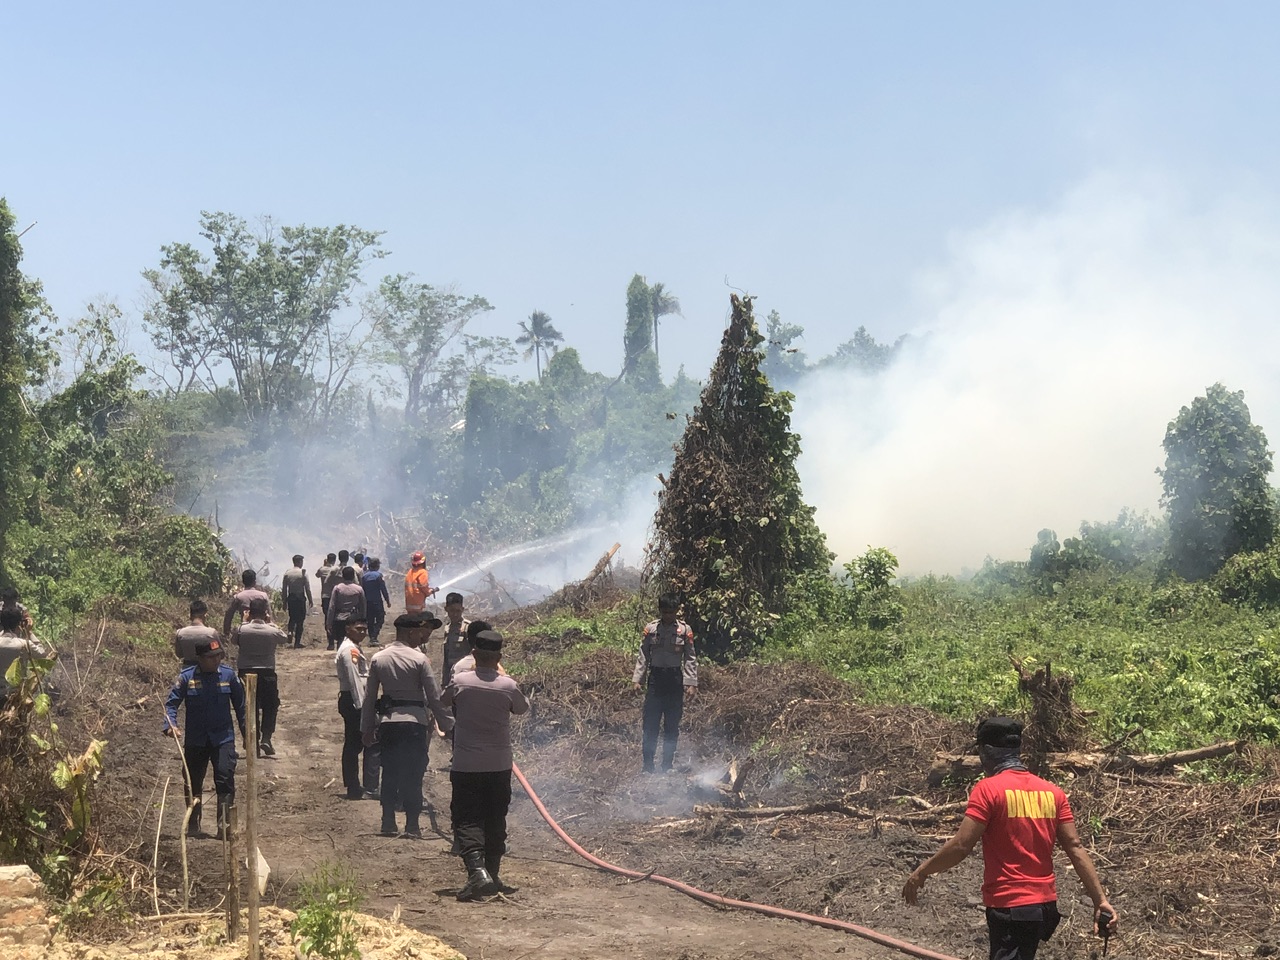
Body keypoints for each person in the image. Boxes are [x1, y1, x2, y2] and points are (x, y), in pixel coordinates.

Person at [902, 717, 1118, 960]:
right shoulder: (1053, 793)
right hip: (1043, 908)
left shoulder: (988, 790)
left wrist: (922, 871)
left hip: (1010, 906)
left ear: (987, 751)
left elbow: (962, 845)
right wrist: (1101, 900)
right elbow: (1075, 847)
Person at [443, 629, 529, 900]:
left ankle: (477, 872)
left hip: (467, 764)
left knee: (467, 818)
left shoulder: (460, 682)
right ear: (499, 657)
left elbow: (443, 701)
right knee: (495, 818)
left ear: (474, 654)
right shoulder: (508, 685)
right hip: (499, 765)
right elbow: (522, 708)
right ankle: (492, 873)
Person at [361, 611, 453, 839]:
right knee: (413, 774)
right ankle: (412, 825)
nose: (422, 635)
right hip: (415, 724)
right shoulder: (419, 659)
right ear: (411, 632)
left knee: (390, 772)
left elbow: (370, 698)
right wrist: (448, 724)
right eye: (419, 632)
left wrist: (366, 728)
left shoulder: (379, 658)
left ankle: (388, 822)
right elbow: (434, 697)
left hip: (389, 723)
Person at [163, 639, 246, 839]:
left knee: (225, 778)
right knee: (192, 781)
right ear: (200, 659)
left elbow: (242, 708)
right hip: (196, 739)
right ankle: (193, 823)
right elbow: (171, 704)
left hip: (223, 738)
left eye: (218, 656)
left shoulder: (228, 676)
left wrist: (248, 735)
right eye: (211, 657)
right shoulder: (186, 678)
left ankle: (224, 826)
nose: (216, 660)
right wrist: (170, 725)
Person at [632, 594, 697, 773]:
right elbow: (643, 654)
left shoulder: (684, 630)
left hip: (674, 680)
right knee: (650, 724)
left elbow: (690, 657)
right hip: (656, 680)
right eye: (665, 612)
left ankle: (667, 765)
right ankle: (648, 765)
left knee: (672, 725)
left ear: (676, 611)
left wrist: (691, 683)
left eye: (671, 612)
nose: (668, 615)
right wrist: (638, 679)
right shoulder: (651, 629)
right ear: (660, 611)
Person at [229, 596, 288, 757]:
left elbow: (234, 640)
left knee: (248, 707)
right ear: (265, 613)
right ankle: (266, 737)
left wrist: (244, 622)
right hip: (267, 672)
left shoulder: (241, 629)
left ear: (249, 612)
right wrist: (270, 623)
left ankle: (251, 741)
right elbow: (284, 638)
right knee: (270, 706)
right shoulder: (272, 630)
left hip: (245, 673)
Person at [335, 618, 381, 800]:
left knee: (356, 744)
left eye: (364, 630)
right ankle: (355, 786)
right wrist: (363, 709)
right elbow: (355, 681)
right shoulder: (349, 650)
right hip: (354, 702)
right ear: (348, 628)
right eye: (358, 629)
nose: (362, 633)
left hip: (355, 701)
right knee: (355, 745)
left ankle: (358, 785)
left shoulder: (354, 647)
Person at [0, 607, 50, 701]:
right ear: (19, 624)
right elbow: (43, 654)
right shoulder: (23, 645)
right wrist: (29, 632)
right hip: (15, 696)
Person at [326, 567, 367, 651]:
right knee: (354, 641)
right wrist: (363, 620)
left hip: (339, 618)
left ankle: (340, 658)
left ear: (343, 576)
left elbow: (332, 606)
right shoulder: (359, 589)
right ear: (353, 576)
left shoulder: (337, 588)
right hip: (354, 619)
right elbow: (363, 606)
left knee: (341, 641)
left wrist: (329, 622)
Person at [222, 569, 272, 637]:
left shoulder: (238, 597)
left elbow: (229, 615)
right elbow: (269, 615)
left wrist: (226, 632)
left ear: (243, 581)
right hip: (263, 632)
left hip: (245, 631)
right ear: (254, 582)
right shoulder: (263, 596)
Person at [174, 599, 220, 667]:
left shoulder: (180, 633)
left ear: (190, 615)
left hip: (187, 671)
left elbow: (179, 654)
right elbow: (221, 654)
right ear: (205, 615)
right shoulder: (211, 633)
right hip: (208, 671)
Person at [281, 555, 313, 649]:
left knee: (292, 617)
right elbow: (307, 588)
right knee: (300, 621)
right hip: (300, 599)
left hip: (291, 598)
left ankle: (290, 631)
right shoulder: (303, 573)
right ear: (299, 562)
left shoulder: (287, 573)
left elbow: (284, 589)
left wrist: (284, 601)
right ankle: (297, 642)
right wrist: (310, 600)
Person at [439, 592, 472, 686]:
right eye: (451, 611)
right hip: (450, 676)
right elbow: (446, 658)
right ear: (446, 609)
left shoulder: (467, 627)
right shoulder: (447, 628)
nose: (455, 614)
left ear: (462, 609)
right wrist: (444, 682)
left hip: (464, 676)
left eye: (458, 611)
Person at [361, 558, 392, 646]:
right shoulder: (378, 576)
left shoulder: (364, 576)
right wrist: (387, 601)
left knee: (370, 620)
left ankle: (372, 637)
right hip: (377, 601)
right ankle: (374, 637)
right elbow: (383, 589)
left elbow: (362, 589)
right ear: (377, 566)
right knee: (380, 619)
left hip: (367, 602)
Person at [316, 553, 339, 622]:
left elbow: (317, 575)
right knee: (335, 614)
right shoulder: (336, 569)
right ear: (335, 560)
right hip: (335, 596)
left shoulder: (322, 569)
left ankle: (328, 630)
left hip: (325, 595)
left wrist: (324, 565)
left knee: (327, 615)